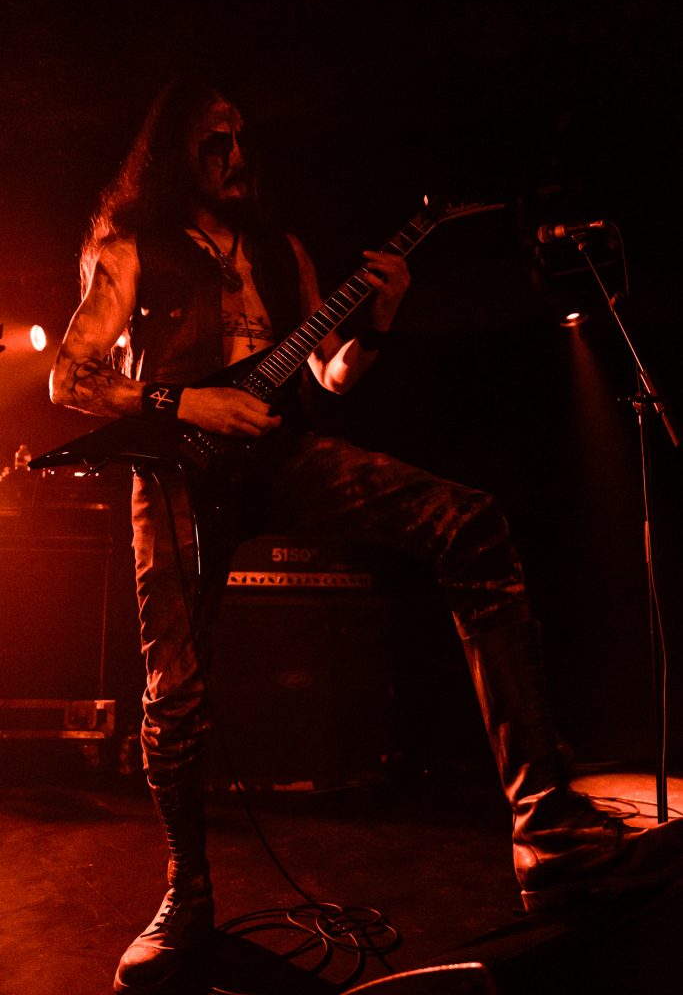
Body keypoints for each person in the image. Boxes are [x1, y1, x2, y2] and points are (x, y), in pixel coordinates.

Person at [49, 78, 683, 995]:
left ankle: (546, 835)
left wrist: (376, 321)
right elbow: (70, 378)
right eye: (209, 142)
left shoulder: (283, 249)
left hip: (281, 453)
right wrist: (190, 400)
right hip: (179, 470)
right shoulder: (125, 246)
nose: (231, 157)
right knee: (174, 695)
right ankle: (187, 899)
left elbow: (330, 379)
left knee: (471, 520)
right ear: (169, 151)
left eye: (238, 138)